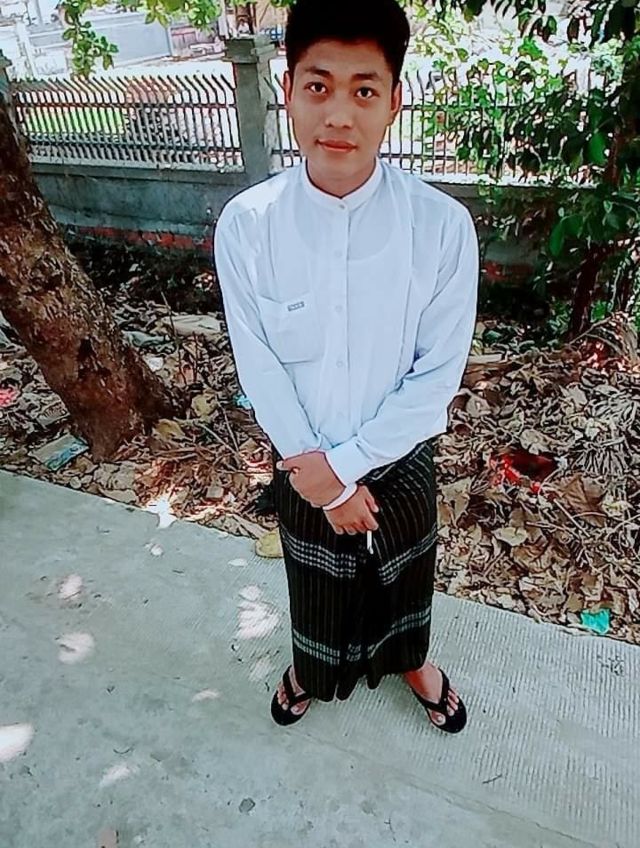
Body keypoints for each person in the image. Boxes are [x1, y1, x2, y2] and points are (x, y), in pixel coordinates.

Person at [214, 0, 479, 733]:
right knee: (315, 588)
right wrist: (322, 479)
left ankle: (413, 663)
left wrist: (347, 468)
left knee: (405, 579)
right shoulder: (249, 225)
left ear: (394, 100)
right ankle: (310, 668)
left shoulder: (440, 228)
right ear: (288, 90)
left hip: (400, 452)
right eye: (318, 85)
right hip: (300, 456)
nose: (338, 114)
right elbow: (258, 362)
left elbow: (436, 377)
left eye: (365, 90)